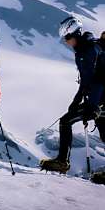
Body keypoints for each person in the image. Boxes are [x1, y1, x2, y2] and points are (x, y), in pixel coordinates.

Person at [40, 16, 105, 173]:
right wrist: (76, 102)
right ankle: (62, 162)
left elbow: (99, 80)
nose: (66, 41)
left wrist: (93, 105)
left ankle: (62, 162)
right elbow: (86, 82)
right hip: (98, 100)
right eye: (65, 38)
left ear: (76, 34)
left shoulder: (90, 50)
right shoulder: (84, 51)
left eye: (68, 37)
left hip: (100, 100)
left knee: (65, 121)